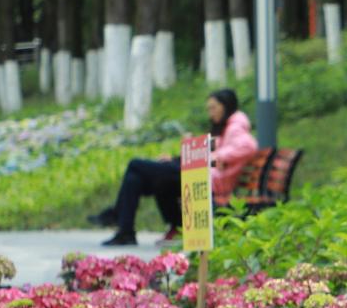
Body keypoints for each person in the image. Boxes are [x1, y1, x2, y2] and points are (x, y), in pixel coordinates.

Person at [93, 90, 258, 246]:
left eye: (214, 107)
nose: (211, 112)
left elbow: (248, 146)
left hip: (208, 180)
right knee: (135, 178)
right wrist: (179, 158)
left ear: (226, 106)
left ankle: (120, 220)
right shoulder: (226, 127)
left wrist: (209, 158)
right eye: (209, 108)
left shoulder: (236, 126)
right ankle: (125, 230)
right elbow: (214, 153)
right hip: (200, 173)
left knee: (135, 165)